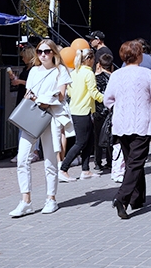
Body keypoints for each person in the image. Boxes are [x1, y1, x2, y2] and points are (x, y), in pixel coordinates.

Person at [104, 40, 151, 219]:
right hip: (142, 123)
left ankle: (137, 198)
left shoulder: (116, 75)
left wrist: (118, 108)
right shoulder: (147, 74)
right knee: (136, 162)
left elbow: (107, 99)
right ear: (139, 55)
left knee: (132, 161)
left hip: (121, 124)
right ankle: (121, 197)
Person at [9, 39, 72, 217]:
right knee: (22, 158)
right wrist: (36, 98)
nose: (43, 54)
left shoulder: (60, 71)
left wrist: (40, 98)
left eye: (46, 51)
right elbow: (30, 95)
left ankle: (51, 198)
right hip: (32, 117)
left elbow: (60, 97)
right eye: (39, 51)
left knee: (50, 161)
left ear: (53, 53)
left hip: (50, 118)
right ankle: (25, 200)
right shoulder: (34, 72)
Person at [59, 48, 103, 181]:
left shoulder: (74, 73)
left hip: (75, 110)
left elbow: (71, 93)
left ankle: (85, 170)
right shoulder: (89, 74)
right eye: (93, 59)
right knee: (81, 142)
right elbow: (93, 92)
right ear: (89, 60)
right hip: (84, 111)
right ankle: (63, 168)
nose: (94, 61)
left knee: (89, 141)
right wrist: (106, 99)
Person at [93, 52, 115, 172]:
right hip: (111, 110)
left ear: (99, 65)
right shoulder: (114, 78)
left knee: (97, 136)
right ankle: (110, 160)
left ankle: (97, 161)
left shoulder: (96, 78)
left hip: (98, 110)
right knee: (110, 136)